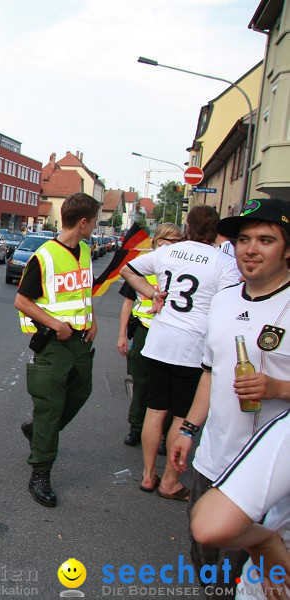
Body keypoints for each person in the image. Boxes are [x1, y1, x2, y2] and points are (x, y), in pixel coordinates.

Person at [170, 198, 290, 598]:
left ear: (287, 249)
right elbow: (210, 371)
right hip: (214, 457)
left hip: (271, 472)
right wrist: (188, 428)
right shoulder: (223, 299)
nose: (250, 249)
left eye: (265, 239)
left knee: (254, 572)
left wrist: (279, 388)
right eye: (242, 239)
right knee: (204, 551)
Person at [121, 205, 241, 502]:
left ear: (187, 227)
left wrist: (151, 294)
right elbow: (232, 302)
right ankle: (170, 482)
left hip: (160, 341)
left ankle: (148, 476)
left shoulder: (169, 252)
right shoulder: (224, 262)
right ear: (215, 232)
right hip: (193, 348)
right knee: (181, 416)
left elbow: (127, 269)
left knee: (155, 409)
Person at [14, 192, 100, 507]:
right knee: (50, 407)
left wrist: (92, 319)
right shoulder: (45, 255)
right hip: (54, 343)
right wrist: (56, 324)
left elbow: (83, 290)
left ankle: (37, 432)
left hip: (80, 341)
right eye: (95, 220)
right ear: (83, 222)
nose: (96, 225)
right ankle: (40, 471)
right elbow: (22, 301)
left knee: (81, 391)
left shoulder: (86, 251)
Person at [190, 409, 290, 600]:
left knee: (222, 576)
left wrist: (263, 540)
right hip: (219, 466)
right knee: (211, 568)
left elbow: (210, 524)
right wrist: (187, 428)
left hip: (272, 586)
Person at [116, 223, 181, 446]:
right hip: (144, 331)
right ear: (156, 241)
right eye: (168, 240)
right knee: (141, 383)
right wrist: (122, 336)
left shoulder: (182, 268)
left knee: (168, 386)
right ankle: (136, 427)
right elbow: (127, 304)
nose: (173, 245)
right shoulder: (142, 267)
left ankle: (164, 434)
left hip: (171, 334)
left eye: (177, 241)